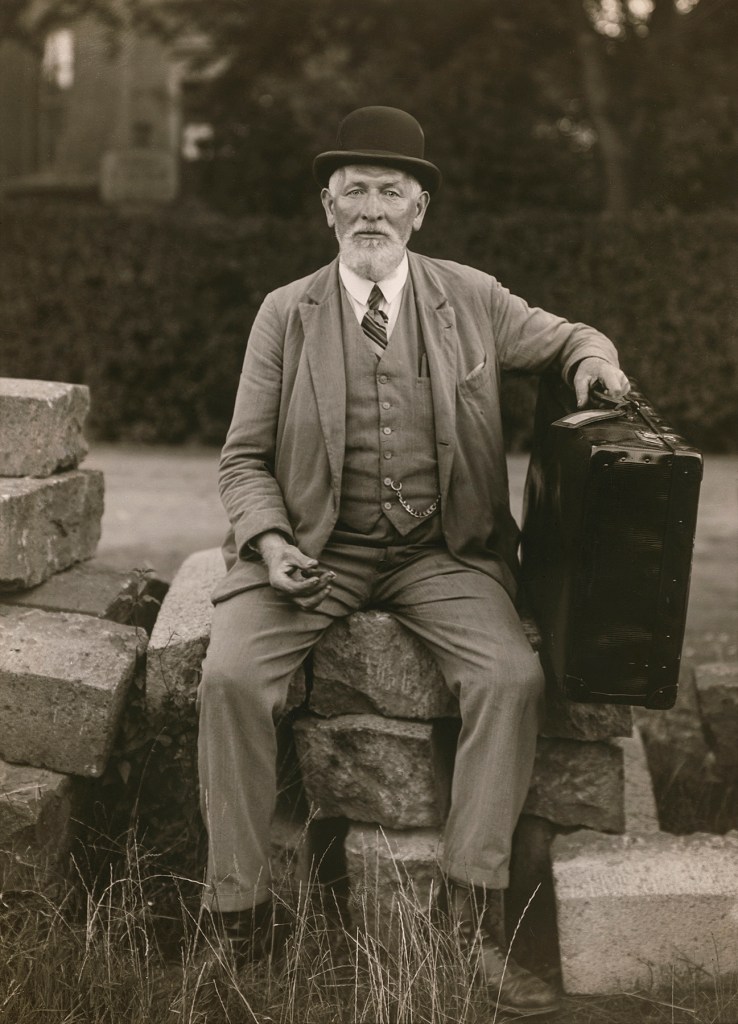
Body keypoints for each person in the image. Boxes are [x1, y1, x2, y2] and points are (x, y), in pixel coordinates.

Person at [197, 105, 629, 1015]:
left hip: (445, 554)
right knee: (231, 678)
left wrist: (597, 362)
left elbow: (571, 337)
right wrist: (272, 545)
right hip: (316, 551)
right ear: (327, 205)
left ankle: (474, 917)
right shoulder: (286, 314)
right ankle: (236, 914)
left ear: (419, 209)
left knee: (511, 679)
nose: (371, 208)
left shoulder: (472, 297)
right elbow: (241, 459)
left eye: (391, 191)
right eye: (353, 190)